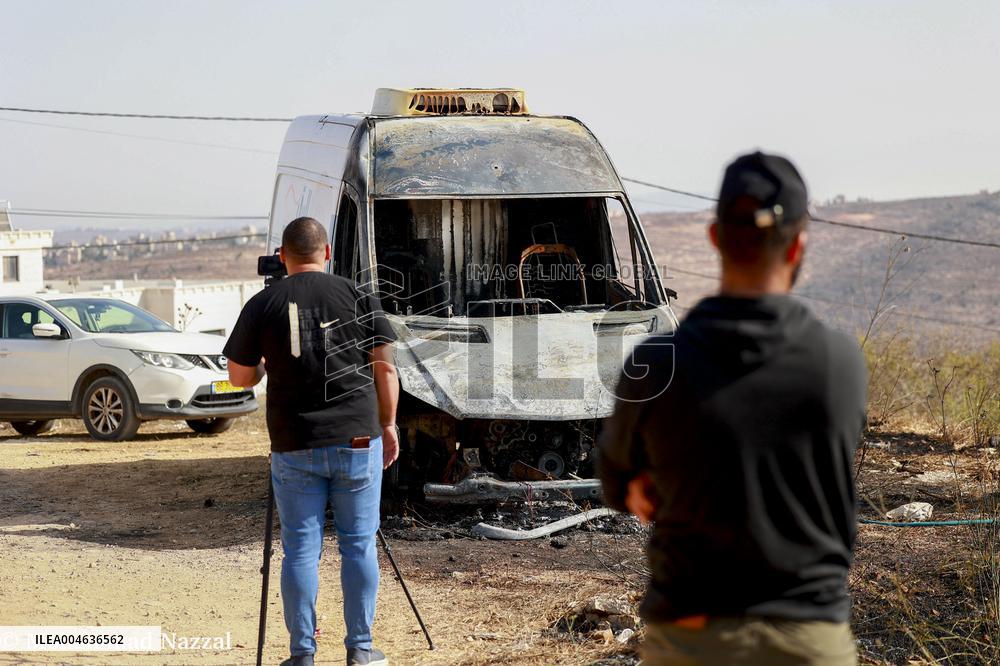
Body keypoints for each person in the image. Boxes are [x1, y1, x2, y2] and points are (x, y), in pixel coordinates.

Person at [597, 152, 867, 665]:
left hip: (692, 634)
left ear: (716, 236)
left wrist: (653, 483)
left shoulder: (655, 365)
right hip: (809, 637)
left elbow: (617, 486)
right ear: (799, 246)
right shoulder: (840, 362)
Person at [224, 217, 399, 666]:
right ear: (326, 254)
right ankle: (360, 649)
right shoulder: (359, 296)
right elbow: (386, 368)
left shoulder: (263, 302)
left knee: (301, 548)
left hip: (293, 441)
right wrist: (389, 425)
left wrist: (266, 365)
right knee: (358, 543)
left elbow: (239, 378)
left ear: (282, 257)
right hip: (358, 438)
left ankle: (303, 653)